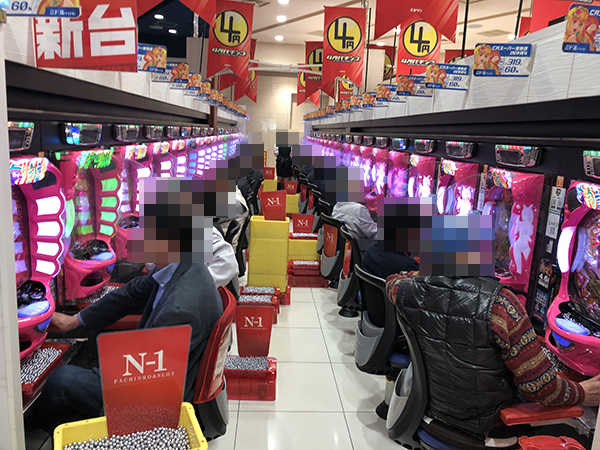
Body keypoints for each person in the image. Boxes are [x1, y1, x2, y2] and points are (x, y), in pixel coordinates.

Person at [386, 272, 600, 443]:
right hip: (487, 429)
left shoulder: (408, 290)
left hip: (433, 414)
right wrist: (582, 392)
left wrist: (429, 275)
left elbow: (391, 281)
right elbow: (542, 389)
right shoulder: (502, 304)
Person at [33, 263, 223, 432]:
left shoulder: (179, 310)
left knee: (60, 380)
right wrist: (74, 320)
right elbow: (132, 292)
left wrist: (106, 372)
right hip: (160, 366)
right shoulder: (183, 266)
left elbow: (144, 380)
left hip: (158, 396)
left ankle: (33, 435)